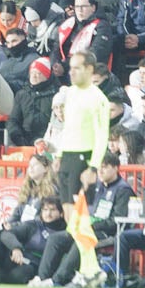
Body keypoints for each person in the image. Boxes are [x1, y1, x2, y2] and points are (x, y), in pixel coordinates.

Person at [53, 53, 111, 197]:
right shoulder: (71, 93)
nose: (71, 72)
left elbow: (102, 135)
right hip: (66, 156)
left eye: (77, 68)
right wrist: (59, 155)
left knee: (80, 207)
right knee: (65, 206)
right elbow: (67, 128)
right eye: (71, 68)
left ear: (89, 69)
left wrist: (93, 167)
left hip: (84, 156)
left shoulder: (98, 98)